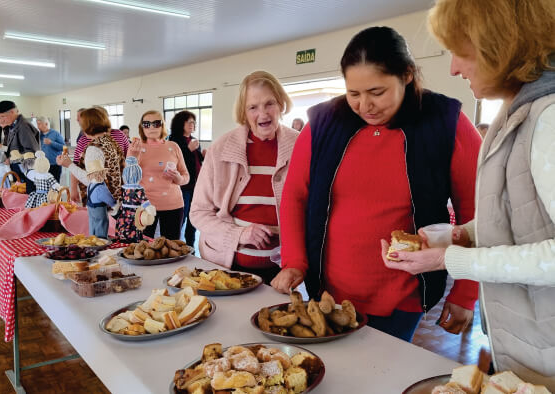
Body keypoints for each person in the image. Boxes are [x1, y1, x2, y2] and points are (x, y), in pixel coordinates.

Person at [271, 26, 482, 342]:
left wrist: (466, 292)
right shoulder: (325, 123)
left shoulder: (444, 121)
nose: (364, 106)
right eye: (353, 93)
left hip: (403, 296)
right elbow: (294, 197)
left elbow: (479, 210)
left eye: (377, 92)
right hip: (329, 293)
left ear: (407, 75)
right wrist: (294, 262)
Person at [382, 0, 555, 385]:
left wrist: (450, 259)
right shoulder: (516, 112)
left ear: (502, 45)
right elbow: (525, 218)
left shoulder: (549, 117)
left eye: (462, 52)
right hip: (526, 346)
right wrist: (461, 234)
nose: (453, 68)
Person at [190, 71, 299, 284]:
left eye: (270, 104)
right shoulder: (220, 149)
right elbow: (199, 212)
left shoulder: (301, 146)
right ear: (244, 112)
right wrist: (239, 234)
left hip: (281, 273)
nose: (263, 114)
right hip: (226, 268)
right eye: (253, 107)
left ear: (281, 105)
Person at [127, 110, 189, 240]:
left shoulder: (173, 146)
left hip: (173, 204)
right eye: (147, 124)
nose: (151, 127)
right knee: (143, 249)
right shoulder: (135, 147)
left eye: (156, 123)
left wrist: (178, 178)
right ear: (142, 127)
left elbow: (186, 176)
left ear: (162, 126)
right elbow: (129, 180)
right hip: (144, 205)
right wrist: (133, 157)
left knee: (172, 248)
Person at [63, 107, 123, 202]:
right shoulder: (109, 141)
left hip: (100, 201)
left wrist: (69, 165)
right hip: (115, 197)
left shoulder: (94, 148)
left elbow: (94, 181)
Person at [169, 110, 204, 247]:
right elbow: (173, 162)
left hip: (196, 185)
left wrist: (203, 155)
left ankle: (190, 247)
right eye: (189, 122)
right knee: (180, 219)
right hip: (182, 187)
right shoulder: (174, 140)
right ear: (180, 123)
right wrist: (187, 150)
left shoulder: (194, 140)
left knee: (193, 218)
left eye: (194, 122)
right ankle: (174, 246)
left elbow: (196, 160)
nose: (192, 124)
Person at [0, 100, 40, 193]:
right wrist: (2, 149)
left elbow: (31, 153)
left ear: (12, 112)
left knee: (28, 200)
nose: (0, 120)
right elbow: (16, 148)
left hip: (27, 174)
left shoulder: (23, 126)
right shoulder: (12, 126)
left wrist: (12, 159)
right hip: (19, 172)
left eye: (2, 116)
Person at [36, 116, 64, 182]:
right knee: (45, 187)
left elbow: (64, 147)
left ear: (46, 124)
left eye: (39, 124)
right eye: (37, 124)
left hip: (54, 165)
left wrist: (51, 143)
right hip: (43, 165)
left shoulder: (56, 134)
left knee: (55, 187)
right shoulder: (38, 135)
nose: (38, 126)